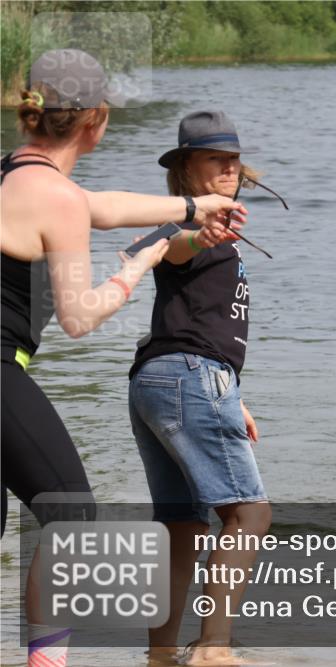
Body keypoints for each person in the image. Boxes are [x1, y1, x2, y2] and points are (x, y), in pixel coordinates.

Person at [0, 49, 244, 667]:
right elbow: (80, 316)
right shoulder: (57, 198)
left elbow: (102, 206)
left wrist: (193, 208)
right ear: (97, 122)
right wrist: (137, 268)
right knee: (70, 511)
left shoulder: (13, 174)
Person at [128, 111, 272, 667]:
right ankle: (214, 649)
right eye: (216, 159)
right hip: (186, 377)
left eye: (233, 159)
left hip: (166, 378)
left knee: (183, 524)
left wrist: (233, 394)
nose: (229, 168)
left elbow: (199, 322)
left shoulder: (221, 236)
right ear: (187, 168)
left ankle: (160, 654)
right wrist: (199, 230)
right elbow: (167, 247)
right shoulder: (181, 229)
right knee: (250, 514)